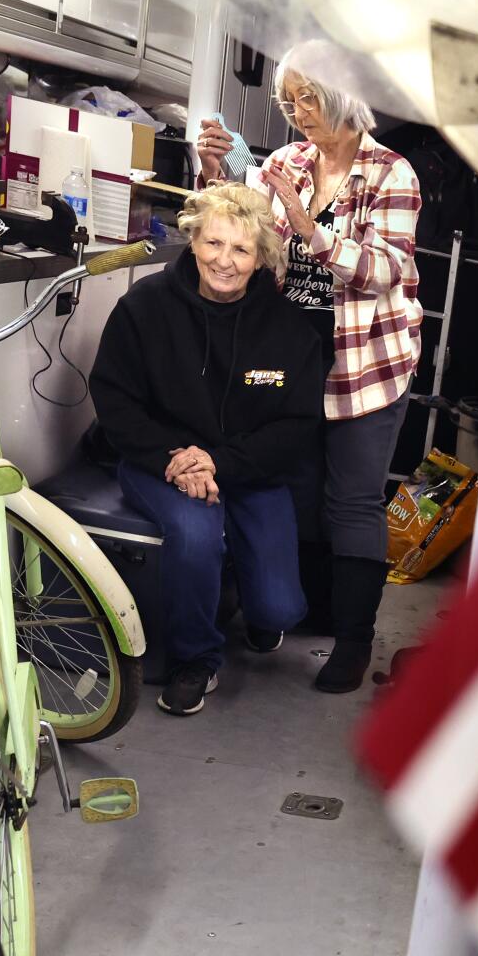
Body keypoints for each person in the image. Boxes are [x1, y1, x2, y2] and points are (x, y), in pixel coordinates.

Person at [197, 42, 424, 693]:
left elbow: (384, 270)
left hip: (367, 358)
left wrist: (309, 225)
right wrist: (217, 179)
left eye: (308, 97)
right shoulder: (284, 162)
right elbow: (250, 236)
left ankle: (352, 642)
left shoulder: (393, 173)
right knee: (285, 483)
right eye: (288, 100)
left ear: (344, 95)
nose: (297, 112)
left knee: (352, 497)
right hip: (290, 354)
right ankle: (277, 612)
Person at [89, 185, 328, 716]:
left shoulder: (290, 331)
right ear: (193, 240)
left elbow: (295, 427)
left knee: (280, 610)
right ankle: (196, 660)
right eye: (213, 243)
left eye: (241, 250)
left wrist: (221, 462)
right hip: (161, 462)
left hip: (248, 468)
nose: (224, 261)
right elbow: (115, 401)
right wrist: (174, 459)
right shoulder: (144, 307)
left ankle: (239, 590)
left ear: (262, 257)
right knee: (196, 532)